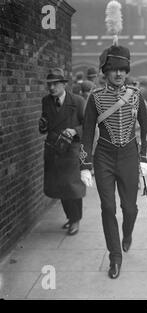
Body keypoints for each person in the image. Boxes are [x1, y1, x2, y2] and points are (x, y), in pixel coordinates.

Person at [79, 45, 147, 279]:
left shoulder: (136, 95)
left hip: (130, 155)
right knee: (107, 207)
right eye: (113, 70)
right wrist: (84, 163)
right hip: (104, 157)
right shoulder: (96, 98)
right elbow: (87, 132)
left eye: (122, 69)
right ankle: (115, 256)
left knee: (129, 208)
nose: (119, 74)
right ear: (105, 72)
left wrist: (144, 157)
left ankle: (127, 233)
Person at [38, 68, 86, 236]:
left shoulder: (78, 101)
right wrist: (43, 125)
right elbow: (45, 123)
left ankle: (75, 219)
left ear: (63, 85)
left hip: (71, 150)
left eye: (55, 84)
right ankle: (70, 217)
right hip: (54, 149)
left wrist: (74, 131)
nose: (51, 88)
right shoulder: (46, 101)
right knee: (60, 186)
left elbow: (88, 124)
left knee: (72, 186)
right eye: (49, 85)